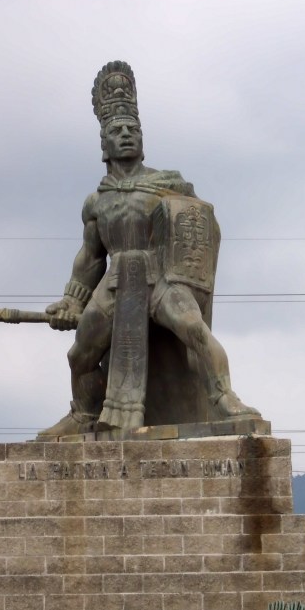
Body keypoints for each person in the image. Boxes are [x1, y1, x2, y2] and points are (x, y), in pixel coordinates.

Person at [42, 61, 259, 435]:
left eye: (133, 130)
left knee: (194, 330)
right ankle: (84, 412)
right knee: (79, 355)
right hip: (117, 283)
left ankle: (224, 397)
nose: (127, 135)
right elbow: (91, 257)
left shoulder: (168, 186)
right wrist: (71, 301)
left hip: (160, 278)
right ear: (104, 144)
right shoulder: (97, 202)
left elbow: (195, 227)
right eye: (118, 130)